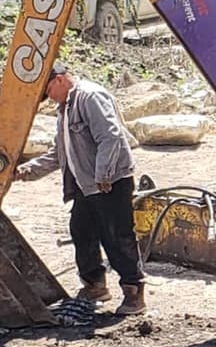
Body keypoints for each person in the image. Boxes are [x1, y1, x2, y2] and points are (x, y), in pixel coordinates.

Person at [16, 62, 147, 316]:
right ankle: (95, 285)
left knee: (116, 236)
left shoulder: (89, 97)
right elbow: (59, 152)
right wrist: (29, 169)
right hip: (87, 185)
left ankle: (134, 292)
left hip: (109, 181)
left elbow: (110, 136)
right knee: (81, 230)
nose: (48, 98)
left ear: (61, 80)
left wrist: (104, 174)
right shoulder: (64, 109)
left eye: (48, 90)